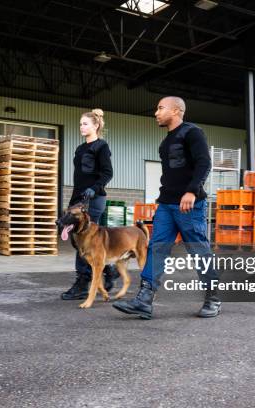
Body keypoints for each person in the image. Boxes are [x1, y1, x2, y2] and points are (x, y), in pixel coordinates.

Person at [112, 96, 220, 319]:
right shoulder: (165, 143)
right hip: (167, 205)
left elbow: (204, 163)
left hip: (190, 204)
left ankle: (213, 298)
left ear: (177, 111)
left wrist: (191, 191)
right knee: (156, 248)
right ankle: (144, 300)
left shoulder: (192, 132)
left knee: (198, 250)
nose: (156, 113)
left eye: (161, 108)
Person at [61, 109, 119, 300]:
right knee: (75, 238)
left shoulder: (101, 146)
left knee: (86, 239)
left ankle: (83, 282)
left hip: (94, 199)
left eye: (85, 123)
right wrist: (74, 200)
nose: (81, 127)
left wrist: (94, 188)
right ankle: (109, 270)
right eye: (80, 124)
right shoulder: (80, 149)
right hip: (78, 198)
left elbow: (107, 173)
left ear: (96, 126)